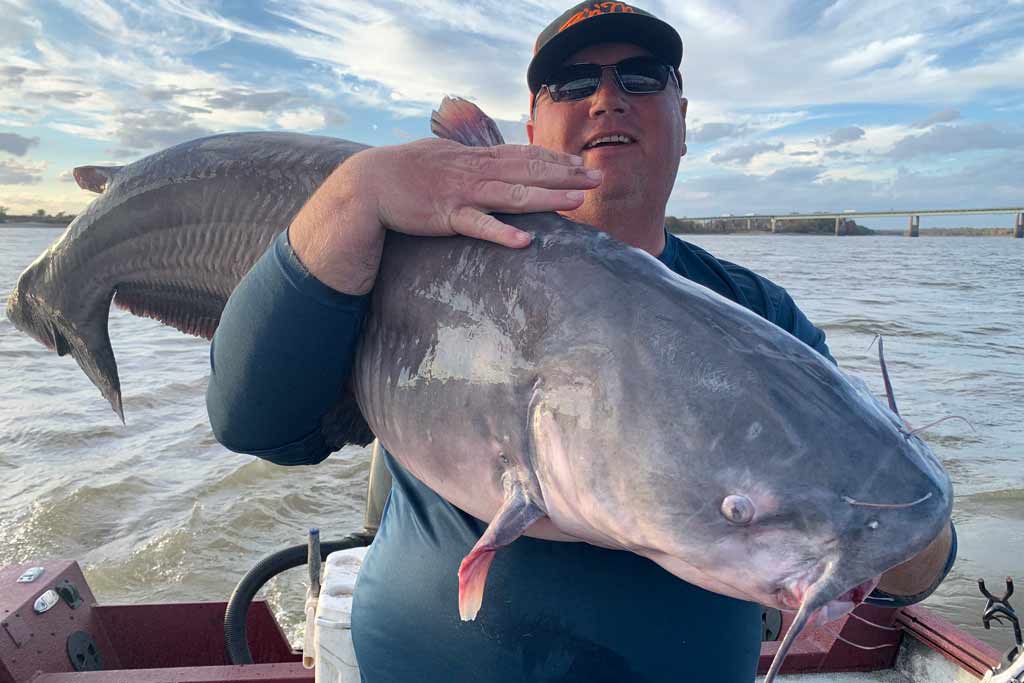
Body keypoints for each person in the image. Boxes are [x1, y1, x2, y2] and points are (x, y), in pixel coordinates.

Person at [207, 3, 956, 681]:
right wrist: (353, 192)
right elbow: (256, 422)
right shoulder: (403, 252)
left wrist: (896, 527)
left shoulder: (760, 313)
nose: (607, 97)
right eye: (570, 83)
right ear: (529, 132)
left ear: (685, 122)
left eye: (640, 75)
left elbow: (919, 552)